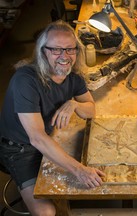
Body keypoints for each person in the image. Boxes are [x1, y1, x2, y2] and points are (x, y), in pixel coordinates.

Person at [0, 20, 105, 215]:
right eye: (56, 50)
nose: (64, 56)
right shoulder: (26, 81)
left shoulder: (73, 77)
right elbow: (37, 138)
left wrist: (74, 104)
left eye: (70, 49)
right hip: (20, 148)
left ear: (76, 52)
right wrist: (79, 170)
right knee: (46, 212)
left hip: (50, 137)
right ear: (43, 52)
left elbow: (91, 110)